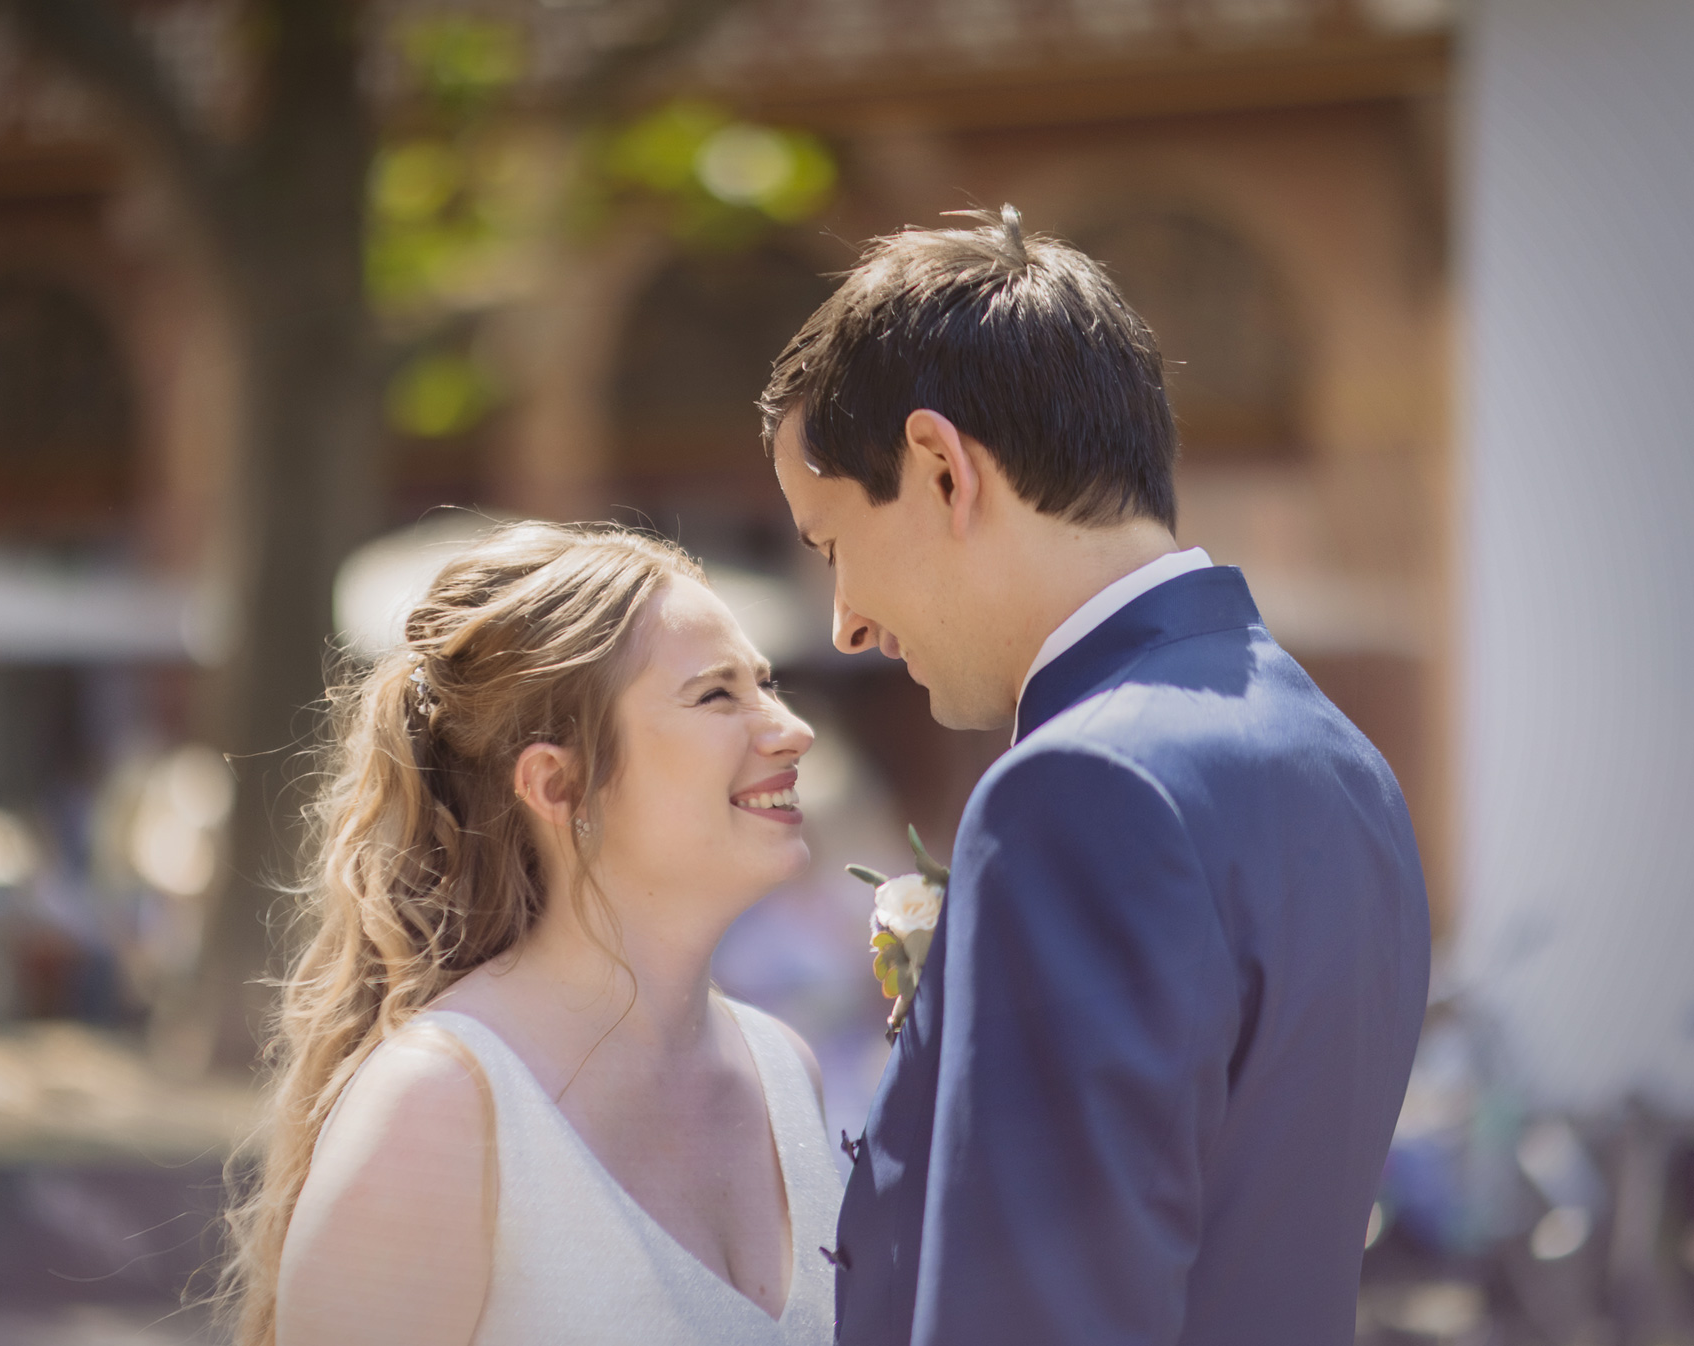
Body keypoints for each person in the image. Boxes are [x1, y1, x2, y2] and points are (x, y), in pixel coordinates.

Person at [763, 207, 1431, 1346]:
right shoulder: (1339, 759)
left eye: (831, 544)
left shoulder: (1079, 789)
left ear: (939, 467)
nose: (848, 621)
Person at [222, 522, 841, 1346]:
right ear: (558, 783)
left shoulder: (784, 1074)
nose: (791, 729)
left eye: (765, 684)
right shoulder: (437, 1108)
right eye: (718, 695)